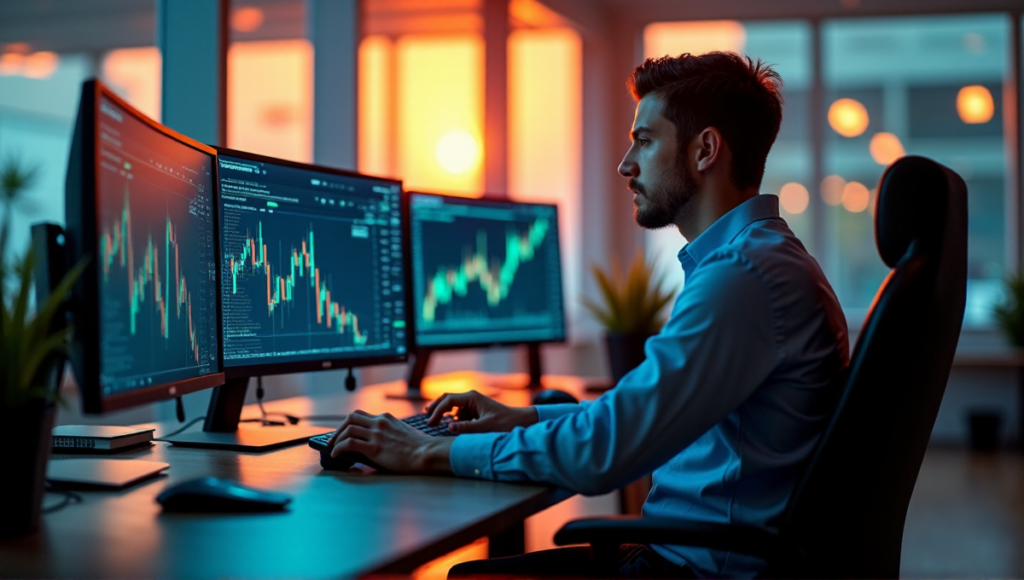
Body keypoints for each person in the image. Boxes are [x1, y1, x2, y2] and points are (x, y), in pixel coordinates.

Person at [327, 51, 849, 579]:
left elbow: (607, 450)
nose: (626, 163)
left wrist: (425, 453)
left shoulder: (742, 276)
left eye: (644, 141)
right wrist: (525, 417)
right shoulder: (762, 260)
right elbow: (637, 417)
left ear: (705, 150)